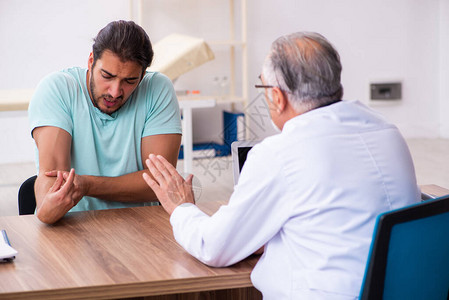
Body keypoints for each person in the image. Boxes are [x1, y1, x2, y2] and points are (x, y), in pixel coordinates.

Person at [142, 32, 421, 299]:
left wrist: (181, 207)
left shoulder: (280, 154)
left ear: (277, 97)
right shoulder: (389, 133)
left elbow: (213, 247)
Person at [28, 20, 182, 224]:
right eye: (107, 76)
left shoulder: (157, 89)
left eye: (129, 81)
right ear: (91, 61)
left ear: (142, 76)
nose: (115, 91)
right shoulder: (57, 89)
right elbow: (53, 180)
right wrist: (48, 205)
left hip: (143, 227)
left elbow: (160, 183)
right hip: (75, 226)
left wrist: (87, 185)